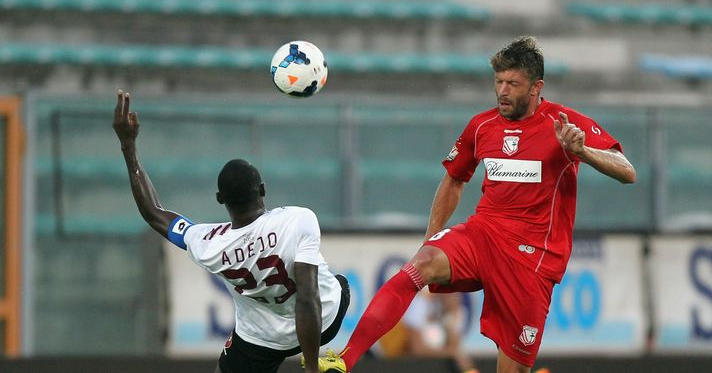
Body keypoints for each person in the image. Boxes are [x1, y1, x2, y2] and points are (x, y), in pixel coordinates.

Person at [311, 36, 636, 373]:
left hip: (532, 257)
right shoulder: (482, 126)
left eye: (513, 83)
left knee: (512, 369)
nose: (503, 91)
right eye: (498, 82)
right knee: (419, 265)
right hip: (484, 233)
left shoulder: (565, 123)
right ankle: (343, 361)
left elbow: (627, 171)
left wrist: (582, 151)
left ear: (536, 87)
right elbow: (454, 179)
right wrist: (431, 237)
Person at [112, 90, 350, 373]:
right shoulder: (297, 220)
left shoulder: (208, 244)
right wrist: (312, 368)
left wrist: (129, 148)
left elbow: (154, 212)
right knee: (339, 284)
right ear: (262, 190)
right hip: (325, 320)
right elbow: (308, 300)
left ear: (219, 199)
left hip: (261, 339)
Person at [381, 291, 478, 373]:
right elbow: (417, 349)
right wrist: (451, 352)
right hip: (397, 360)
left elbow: (454, 345)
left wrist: (451, 315)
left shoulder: (453, 309)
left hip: (427, 362)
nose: (453, 294)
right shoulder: (420, 303)